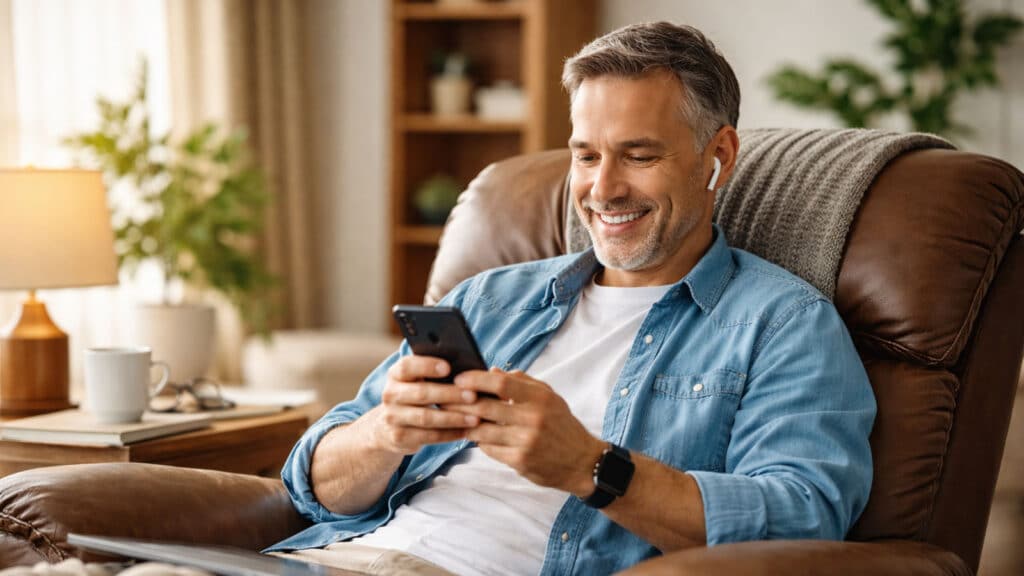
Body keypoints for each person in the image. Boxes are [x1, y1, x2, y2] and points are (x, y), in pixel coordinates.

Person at [265, 21, 876, 576]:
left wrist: (591, 466)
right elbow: (307, 484)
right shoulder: (491, 297)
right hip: (324, 560)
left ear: (717, 156)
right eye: (586, 156)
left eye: (638, 156)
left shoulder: (782, 324)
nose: (603, 190)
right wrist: (384, 434)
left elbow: (804, 520)